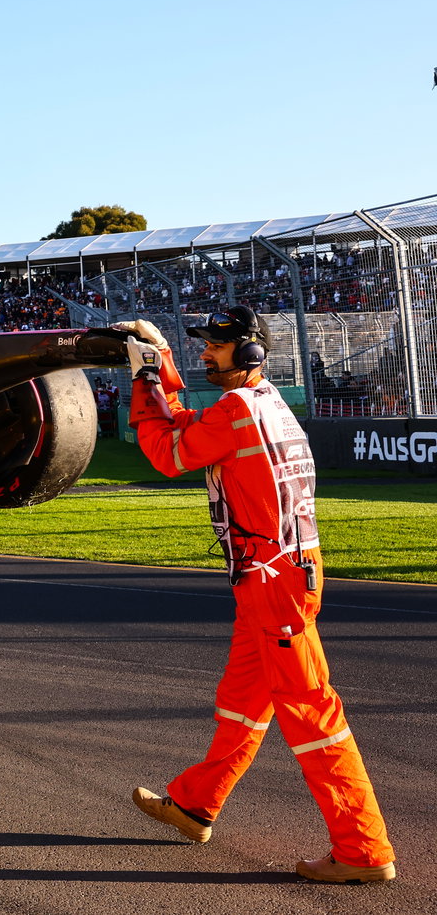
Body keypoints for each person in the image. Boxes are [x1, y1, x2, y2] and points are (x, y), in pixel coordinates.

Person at [115, 307, 396, 884]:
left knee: (312, 714)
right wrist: (159, 359)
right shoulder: (260, 404)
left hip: (275, 583)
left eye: (216, 347)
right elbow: (192, 425)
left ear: (249, 352)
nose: (206, 356)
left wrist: (146, 380)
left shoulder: (239, 409)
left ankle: (363, 848)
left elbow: (169, 452)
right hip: (274, 576)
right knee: (241, 701)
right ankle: (196, 804)